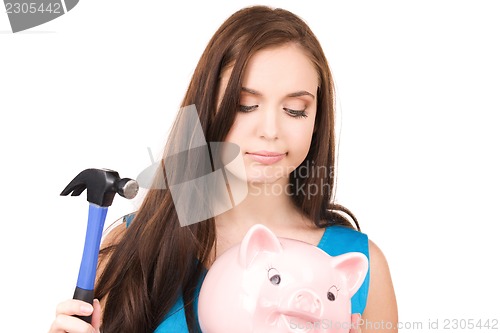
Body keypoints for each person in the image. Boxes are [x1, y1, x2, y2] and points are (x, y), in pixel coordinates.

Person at [49, 5, 397, 333]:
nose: (270, 130)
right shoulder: (135, 245)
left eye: (294, 110)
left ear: (317, 121)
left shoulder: (360, 266)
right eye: (246, 105)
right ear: (208, 109)